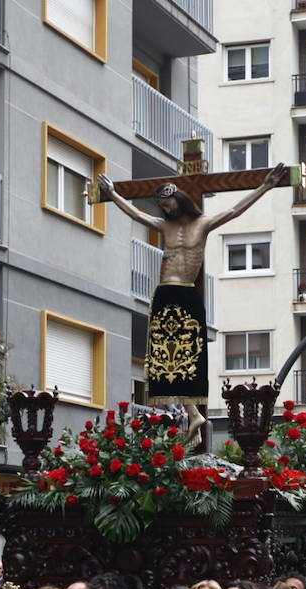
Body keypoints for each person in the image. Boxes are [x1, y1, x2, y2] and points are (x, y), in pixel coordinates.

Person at [97, 164, 289, 439]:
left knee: (189, 357)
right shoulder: (165, 226)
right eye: (163, 205)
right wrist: (114, 195)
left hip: (188, 292)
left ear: (181, 199)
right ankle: (193, 417)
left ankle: (196, 418)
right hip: (165, 292)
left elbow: (235, 210)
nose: (167, 208)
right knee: (165, 359)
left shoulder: (203, 223)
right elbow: (137, 214)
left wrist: (265, 186)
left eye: (169, 203)